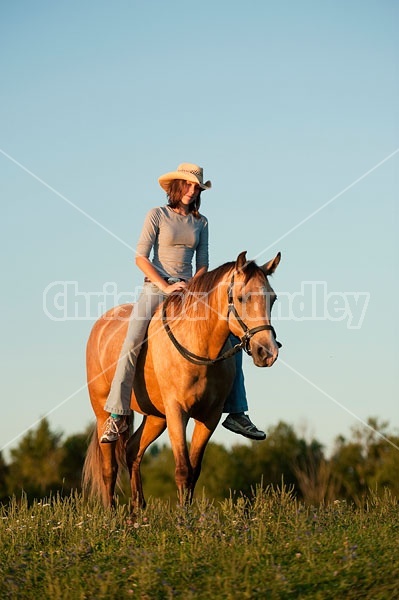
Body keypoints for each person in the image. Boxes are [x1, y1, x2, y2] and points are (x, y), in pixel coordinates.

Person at [101, 163, 266, 443]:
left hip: (191, 290)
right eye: (188, 185)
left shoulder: (201, 222)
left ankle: (237, 412)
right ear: (176, 187)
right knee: (131, 340)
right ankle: (116, 415)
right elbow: (140, 258)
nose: (192, 191)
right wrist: (166, 286)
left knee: (232, 334)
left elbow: (203, 264)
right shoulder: (157, 215)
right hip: (156, 288)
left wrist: (192, 287)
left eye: (197, 187)